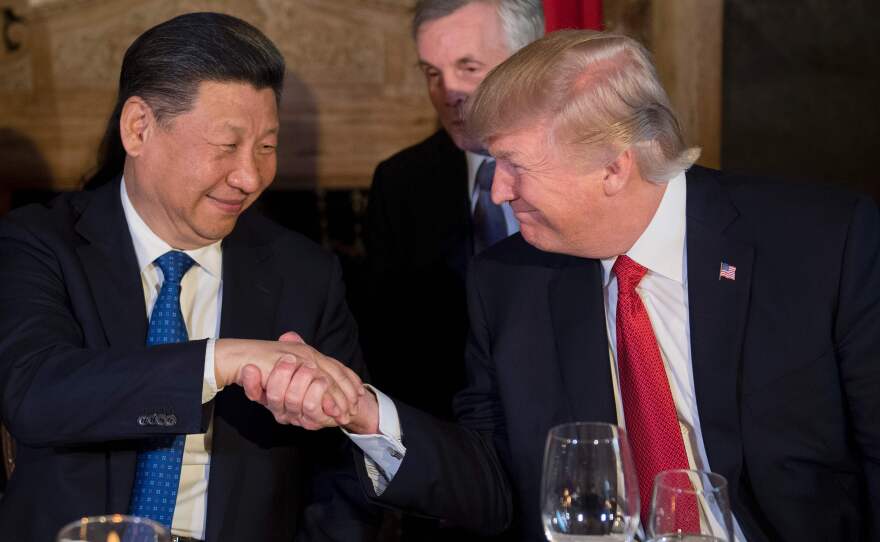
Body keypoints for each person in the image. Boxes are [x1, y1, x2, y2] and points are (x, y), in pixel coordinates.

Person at [278, 30, 879, 540]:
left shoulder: (824, 246)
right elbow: (496, 483)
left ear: (616, 167)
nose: (498, 193)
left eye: (515, 165)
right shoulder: (510, 281)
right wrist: (364, 413)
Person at [0, 12, 377, 542]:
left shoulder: (304, 274)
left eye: (266, 148)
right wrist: (220, 359)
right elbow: (34, 394)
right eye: (226, 146)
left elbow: (347, 467)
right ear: (139, 128)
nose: (250, 177)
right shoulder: (40, 243)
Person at [362, 0, 544, 424]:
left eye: (469, 68)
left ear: (528, 62)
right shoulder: (400, 181)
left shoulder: (584, 168)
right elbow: (387, 344)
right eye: (432, 73)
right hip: (446, 432)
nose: (448, 94)